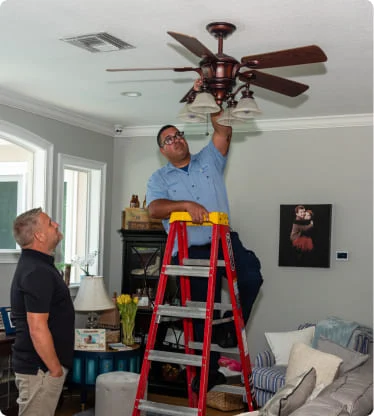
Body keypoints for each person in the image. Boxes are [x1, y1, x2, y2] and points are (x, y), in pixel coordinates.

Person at [146, 80, 263, 390]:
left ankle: (230, 330)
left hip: (223, 241)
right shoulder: (159, 178)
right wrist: (184, 205)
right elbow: (154, 209)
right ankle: (205, 374)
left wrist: (212, 96)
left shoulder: (209, 159)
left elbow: (223, 131)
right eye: (169, 139)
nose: (176, 140)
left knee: (251, 277)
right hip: (189, 252)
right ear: (162, 150)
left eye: (179, 135)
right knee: (199, 312)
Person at [10, 207, 75, 416]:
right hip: (40, 370)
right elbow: (37, 328)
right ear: (39, 235)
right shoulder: (36, 270)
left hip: (42, 369)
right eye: (49, 223)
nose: (56, 225)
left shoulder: (39, 265)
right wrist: (55, 370)